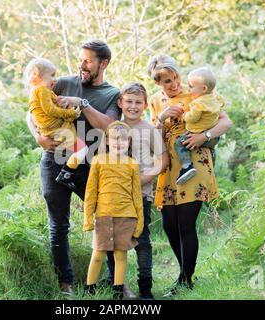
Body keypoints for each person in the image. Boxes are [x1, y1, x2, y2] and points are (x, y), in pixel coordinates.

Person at [26, 40, 121, 296]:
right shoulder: (62, 82)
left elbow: (110, 127)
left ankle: (117, 284)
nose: (81, 65)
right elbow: (33, 107)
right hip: (53, 161)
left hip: (90, 164)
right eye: (81, 59)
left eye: (88, 61)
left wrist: (82, 103)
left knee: (105, 220)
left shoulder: (113, 94)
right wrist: (37, 135)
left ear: (104, 64)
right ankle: (65, 284)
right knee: (58, 226)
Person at [147, 55, 232, 294]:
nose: (174, 84)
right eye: (166, 81)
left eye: (175, 78)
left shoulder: (197, 92)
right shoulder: (155, 101)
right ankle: (184, 275)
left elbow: (226, 122)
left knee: (185, 223)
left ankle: (185, 280)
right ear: (158, 83)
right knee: (169, 225)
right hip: (168, 165)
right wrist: (162, 118)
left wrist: (203, 136)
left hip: (195, 162)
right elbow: (152, 136)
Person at [105, 83, 168, 300]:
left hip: (141, 195)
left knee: (142, 240)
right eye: (129, 101)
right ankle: (118, 289)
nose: (133, 106)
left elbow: (163, 160)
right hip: (115, 196)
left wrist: (143, 179)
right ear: (120, 102)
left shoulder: (149, 129)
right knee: (114, 242)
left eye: (138, 102)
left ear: (145, 105)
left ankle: (146, 290)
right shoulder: (113, 129)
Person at [83, 121, 144, 300]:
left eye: (124, 140)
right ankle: (89, 291)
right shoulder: (98, 161)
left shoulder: (132, 164)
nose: (119, 143)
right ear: (108, 141)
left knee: (120, 256)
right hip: (103, 215)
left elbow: (137, 196)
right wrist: (88, 218)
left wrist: (139, 223)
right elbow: (90, 191)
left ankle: (118, 294)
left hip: (126, 216)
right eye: (115, 139)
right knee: (98, 255)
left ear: (129, 143)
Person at [24, 57, 88, 191]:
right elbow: (50, 110)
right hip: (55, 129)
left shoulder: (38, 91)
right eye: (52, 75)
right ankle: (66, 174)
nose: (55, 79)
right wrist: (70, 114)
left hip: (52, 129)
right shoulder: (41, 90)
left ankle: (66, 172)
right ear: (39, 75)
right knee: (82, 149)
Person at [174, 67, 225, 185]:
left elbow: (193, 118)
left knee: (180, 143)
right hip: (213, 137)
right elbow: (222, 105)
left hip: (198, 133)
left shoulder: (198, 104)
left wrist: (184, 115)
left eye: (191, 86)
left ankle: (187, 166)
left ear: (203, 88)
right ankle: (211, 155)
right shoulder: (215, 97)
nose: (188, 88)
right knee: (208, 148)